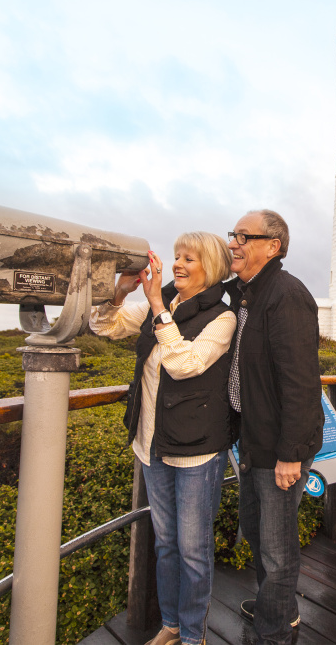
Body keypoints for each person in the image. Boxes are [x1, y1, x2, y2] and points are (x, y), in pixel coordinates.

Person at [90, 232, 237, 645]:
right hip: (152, 444)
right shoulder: (166, 301)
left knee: (193, 552)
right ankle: (171, 624)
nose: (177, 264)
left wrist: (157, 307)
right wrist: (119, 292)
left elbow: (185, 364)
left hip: (197, 452)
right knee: (167, 545)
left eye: (189, 258)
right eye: (176, 256)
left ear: (211, 267)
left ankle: (193, 635)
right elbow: (104, 326)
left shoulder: (222, 318)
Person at [225, 210, 324, 645]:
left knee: (277, 550)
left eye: (244, 236)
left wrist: (291, 454)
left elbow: (301, 382)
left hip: (278, 449)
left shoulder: (286, 295)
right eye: (233, 235)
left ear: (273, 245)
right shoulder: (248, 294)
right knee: (255, 529)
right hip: (254, 441)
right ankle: (279, 606)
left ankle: (274, 632)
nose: (233, 243)